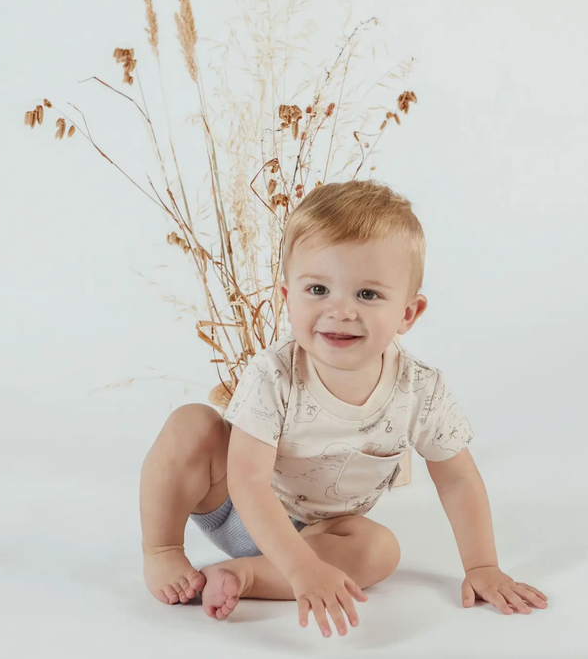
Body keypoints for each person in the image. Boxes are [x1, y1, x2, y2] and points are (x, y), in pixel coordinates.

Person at [140, 180, 548, 638]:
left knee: (381, 551)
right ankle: (161, 549)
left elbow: (457, 478)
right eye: (317, 288)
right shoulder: (274, 373)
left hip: (323, 535)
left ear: (408, 313)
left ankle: (244, 575)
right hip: (234, 503)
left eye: (367, 295)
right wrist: (300, 568)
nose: (340, 311)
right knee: (191, 422)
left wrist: (482, 565)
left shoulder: (420, 389)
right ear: (286, 297)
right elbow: (247, 481)